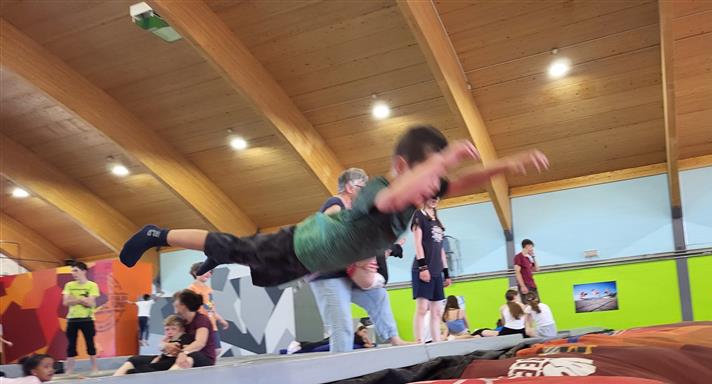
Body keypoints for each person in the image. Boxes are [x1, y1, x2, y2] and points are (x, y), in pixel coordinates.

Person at [118, 126, 550, 294]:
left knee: (243, 257)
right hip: (303, 245)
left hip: (309, 259)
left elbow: (459, 183)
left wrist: (505, 164)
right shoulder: (382, 190)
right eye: (427, 177)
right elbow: (394, 198)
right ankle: (158, 234)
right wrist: (446, 156)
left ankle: (215, 255)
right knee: (234, 247)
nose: (432, 189)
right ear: (402, 168)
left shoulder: (419, 194)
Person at [308, 168, 407, 352]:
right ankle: (341, 365)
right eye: (362, 188)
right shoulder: (335, 203)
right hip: (327, 274)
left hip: (345, 274)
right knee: (342, 324)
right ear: (349, 187)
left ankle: (394, 339)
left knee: (378, 295)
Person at [412, 194, 451, 343]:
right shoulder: (419, 216)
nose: (434, 199)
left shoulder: (438, 222)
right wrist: (423, 267)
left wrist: (446, 273)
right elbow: (417, 243)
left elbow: (441, 249)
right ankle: (419, 341)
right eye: (431, 196)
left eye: (437, 197)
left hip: (436, 271)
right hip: (422, 268)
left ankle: (437, 342)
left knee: (437, 312)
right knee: (422, 308)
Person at [113, 315, 193, 376]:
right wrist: (158, 357)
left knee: (138, 370)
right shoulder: (168, 339)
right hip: (163, 360)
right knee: (135, 361)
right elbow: (163, 353)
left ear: (181, 330)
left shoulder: (184, 337)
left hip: (172, 361)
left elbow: (185, 349)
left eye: (173, 329)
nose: (170, 332)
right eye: (167, 329)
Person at [62, 262, 100, 375]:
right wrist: (82, 299)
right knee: (71, 345)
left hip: (87, 319)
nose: (73, 273)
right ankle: (69, 370)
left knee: (90, 344)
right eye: (72, 271)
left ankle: (94, 368)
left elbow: (91, 303)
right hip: (72, 319)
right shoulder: (69, 285)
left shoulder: (92, 285)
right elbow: (65, 302)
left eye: (76, 271)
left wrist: (74, 299)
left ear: (84, 271)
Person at [168, 290, 217, 369]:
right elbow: (167, 340)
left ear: (184, 305)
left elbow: (200, 343)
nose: (173, 303)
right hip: (186, 354)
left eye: (176, 301)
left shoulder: (201, 320)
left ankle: (172, 374)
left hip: (203, 357)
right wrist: (166, 346)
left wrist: (183, 352)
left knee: (189, 358)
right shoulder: (182, 322)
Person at [188, 263, 230, 357]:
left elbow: (211, 308)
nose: (208, 273)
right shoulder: (191, 289)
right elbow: (190, 309)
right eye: (205, 271)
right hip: (201, 325)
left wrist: (221, 320)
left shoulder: (208, 290)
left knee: (217, 350)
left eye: (210, 271)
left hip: (211, 324)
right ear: (195, 272)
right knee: (205, 349)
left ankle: (202, 361)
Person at [286, 325, 375, 354]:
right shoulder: (354, 335)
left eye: (366, 332)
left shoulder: (361, 340)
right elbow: (369, 345)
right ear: (358, 331)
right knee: (319, 343)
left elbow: (370, 345)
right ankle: (299, 344)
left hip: (338, 339)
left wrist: (366, 337)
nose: (365, 334)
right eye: (363, 331)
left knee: (318, 345)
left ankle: (299, 345)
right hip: (336, 338)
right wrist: (366, 339)